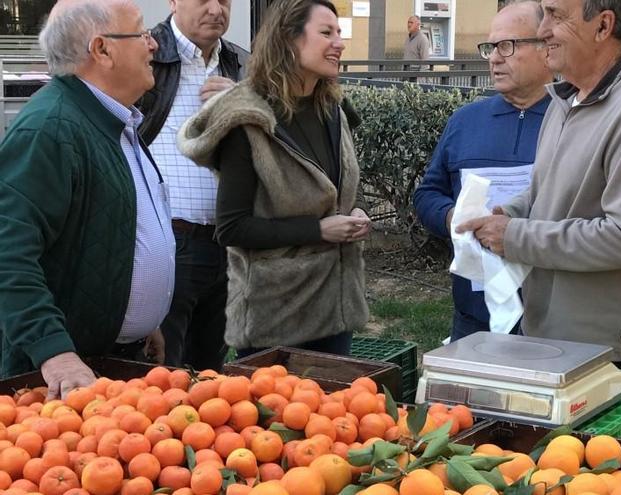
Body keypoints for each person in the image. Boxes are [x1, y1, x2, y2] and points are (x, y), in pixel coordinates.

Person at [459, 0, 621, 371]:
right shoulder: (567, 98)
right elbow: (544, 189)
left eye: (556, 16)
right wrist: (508, 213)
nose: (542, 30)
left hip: (608, 351)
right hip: (553, 334)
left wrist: (515, 237)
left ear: (602, 26)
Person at [0, 0, 174, 397]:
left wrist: (145, 317)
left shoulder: (114, 119)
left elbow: (121, 228)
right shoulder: (50, 130)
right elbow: (8, 253)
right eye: (143, 33)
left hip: (112, 359)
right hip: (64, 379)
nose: (154, 46)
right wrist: (55, 353)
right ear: (102, 49)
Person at [176, 0, 370, 357]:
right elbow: (232, 229)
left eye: (339, 33)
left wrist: (354, 213)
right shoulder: (247, 119)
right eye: (326, 32)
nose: (339, 42)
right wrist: (319, 230)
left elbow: (336, 191)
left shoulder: (333, 111)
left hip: (335, 308)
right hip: (274, 317)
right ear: (288, 39)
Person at [413, 0, 553, 342]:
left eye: (508, 45)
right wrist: (452, 218)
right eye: (491, 47)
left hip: (551, 315)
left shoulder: (573, 121)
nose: (493, 57)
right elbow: (428, 192)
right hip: (474, 315)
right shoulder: (465, 121)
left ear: (546, 48)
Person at [138, 0, 248, 371]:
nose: (216, 9)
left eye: (225, 0)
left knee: (212, 377)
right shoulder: (146, 53)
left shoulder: (239, 62)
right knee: (164, 374)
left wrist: (241, 102)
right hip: (169, 241)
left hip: (228, 242)